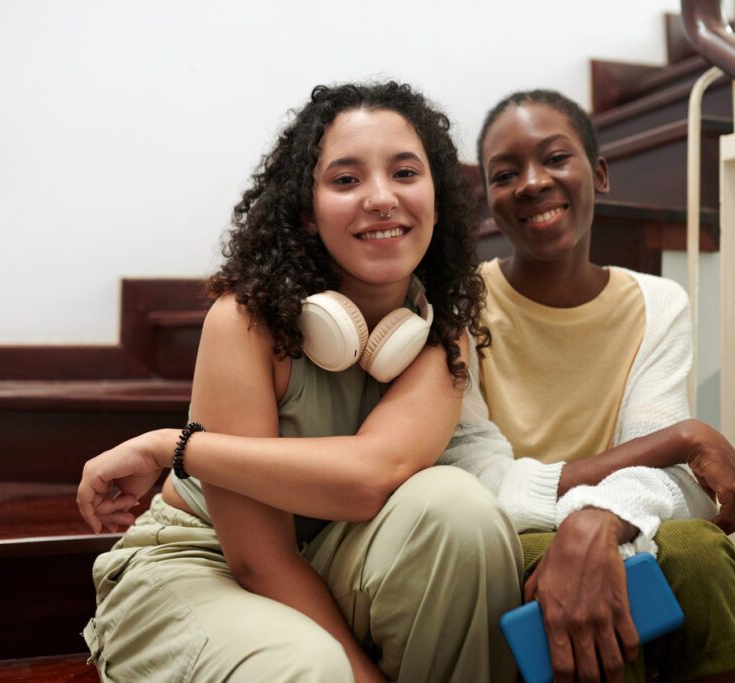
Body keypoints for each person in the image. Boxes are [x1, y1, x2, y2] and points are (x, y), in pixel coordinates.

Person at [76, 82, 523, 683]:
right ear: (308, 214)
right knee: (309, 667)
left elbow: (372, 477)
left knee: (460, 512)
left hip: (336, 553)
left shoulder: (440, 332)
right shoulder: (245, 321)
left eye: (405, 173)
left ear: (437, 198)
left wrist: (169, 446)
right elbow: (260, 560)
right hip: (204, 562)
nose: (382, 198)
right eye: (346, 180)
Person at [438, 89, 735, 683]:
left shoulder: (658, 303)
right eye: (505, 173)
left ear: (600, 173)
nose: (533, 183)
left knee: (698, 551)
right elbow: (480, 482)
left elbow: (676, 483)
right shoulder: (459, 305)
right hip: (515, 540)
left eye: (555, 158)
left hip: (615, 522)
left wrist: (599, 522)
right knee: (602, 577)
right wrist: (682, 440)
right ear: (489, 201)